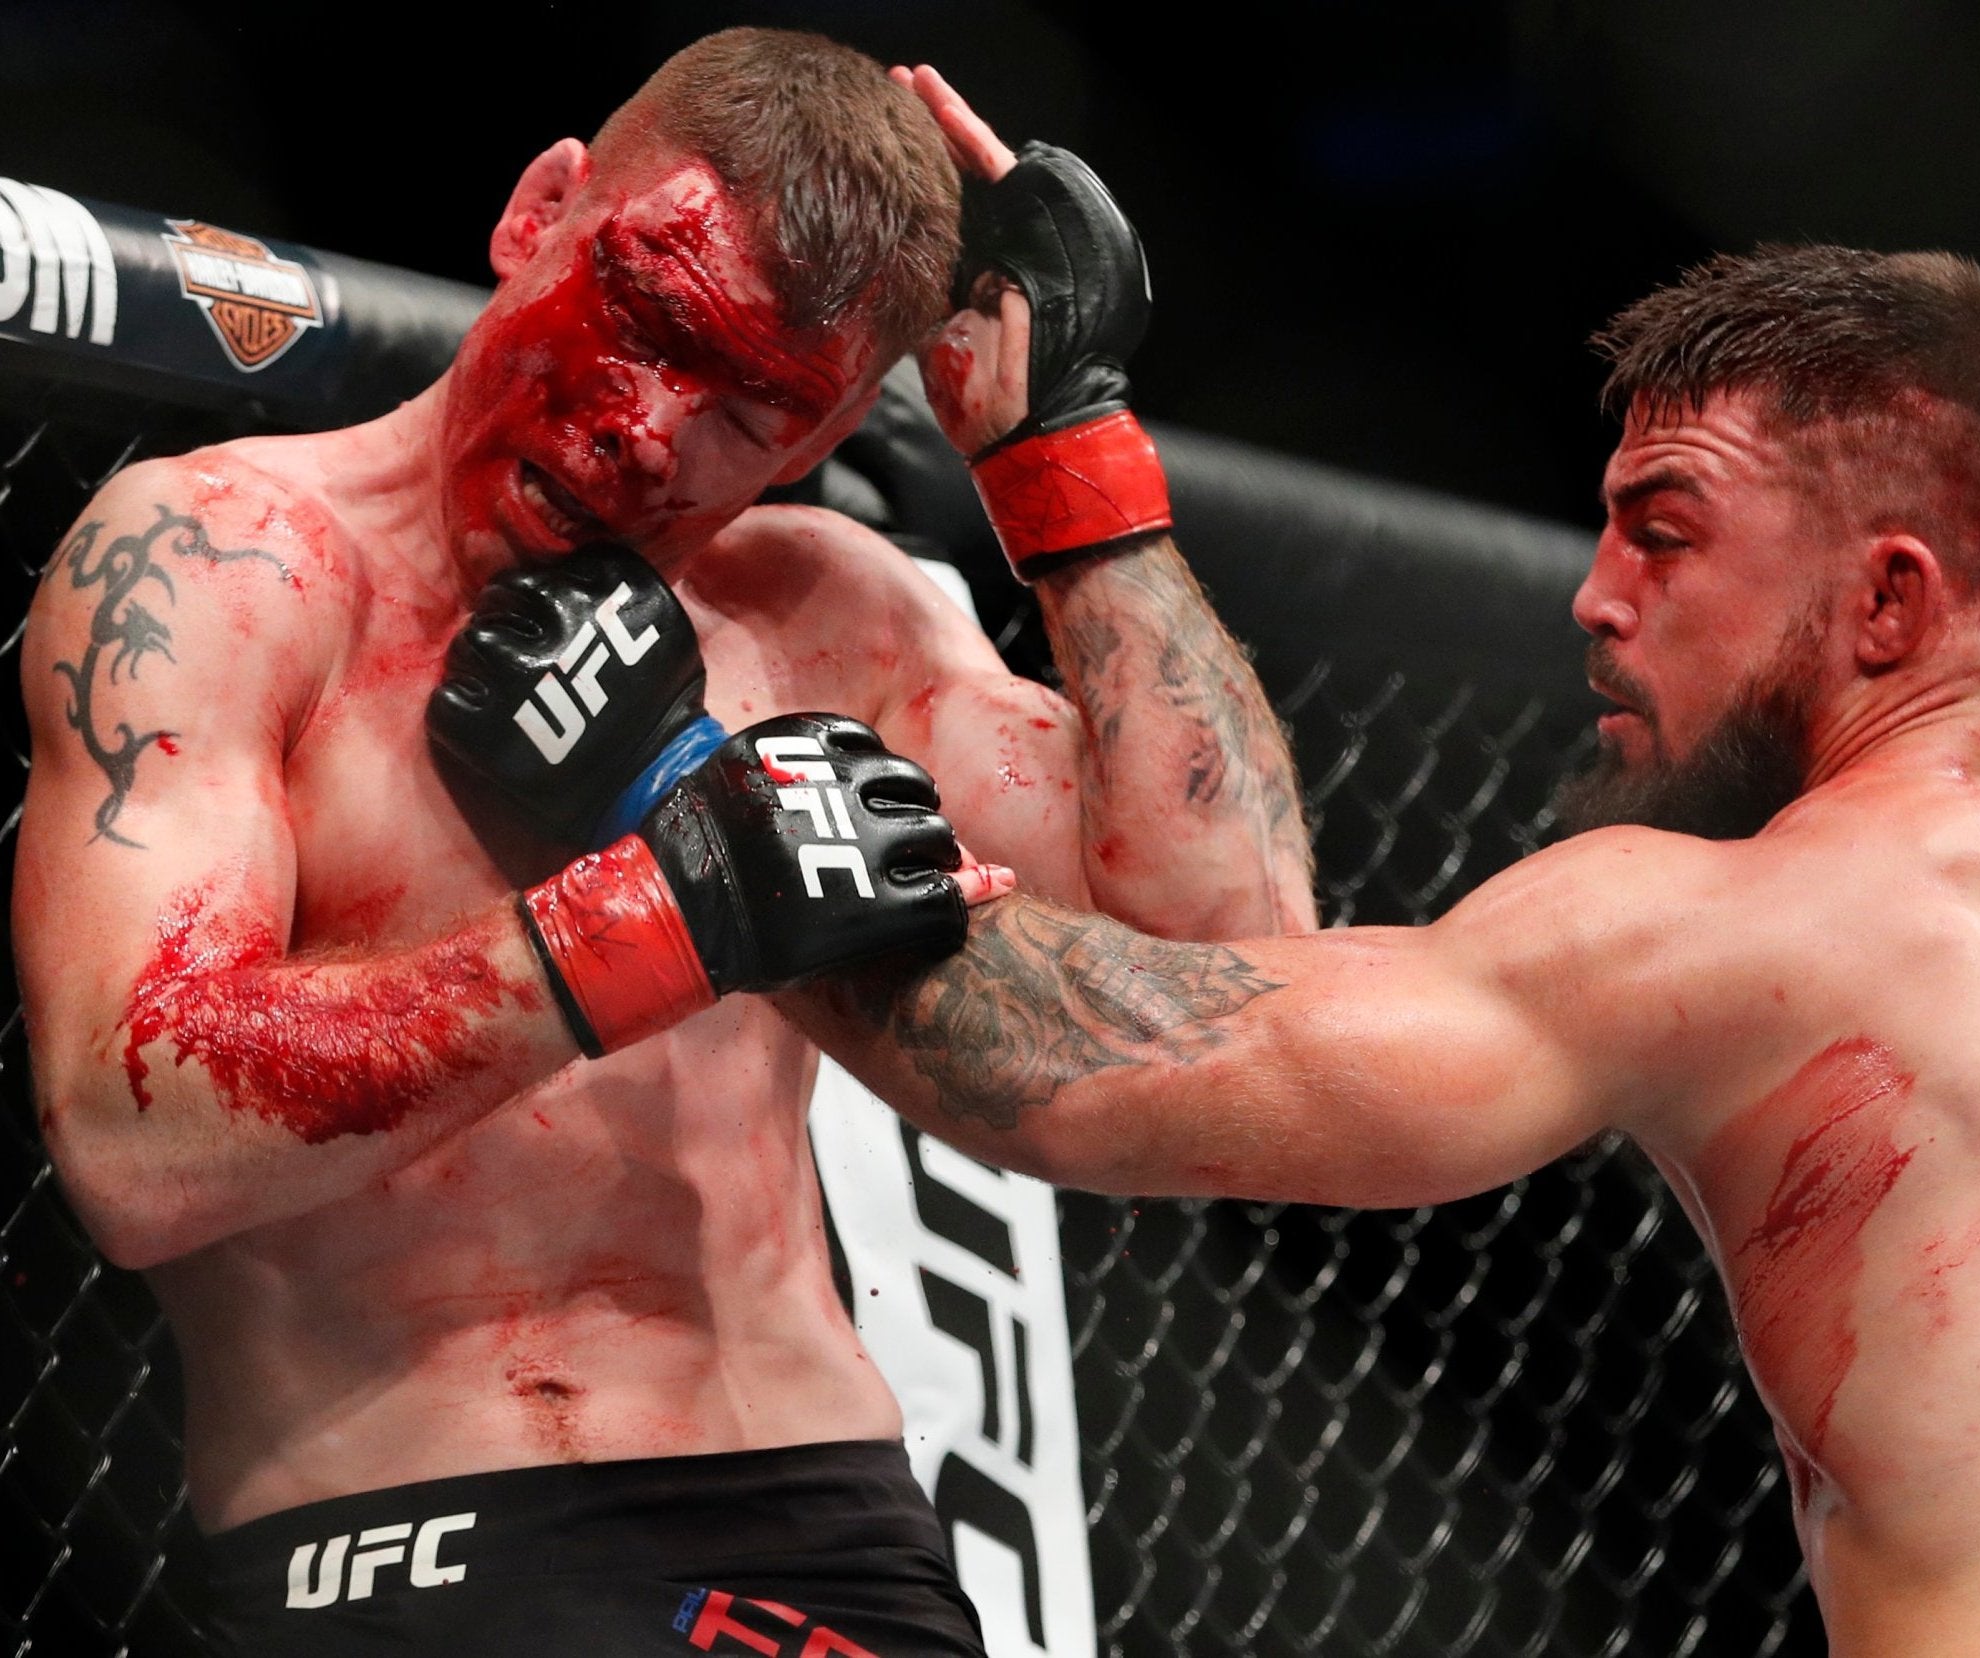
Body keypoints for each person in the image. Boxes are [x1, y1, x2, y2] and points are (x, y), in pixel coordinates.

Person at [13, 28, 1313, 1658]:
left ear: (830, 429)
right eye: (644, 321)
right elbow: (131, 1135)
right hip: (418, 1549)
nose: (646, 430)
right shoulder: (225, 566)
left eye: (751, 405)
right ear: (539, 209)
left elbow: (1243, 952)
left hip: (839, 1540)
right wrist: (661, 913)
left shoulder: (830, 612)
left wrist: (1068, 459)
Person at [786, 245, 1980, 1657]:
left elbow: (1141, 1070)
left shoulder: (1746, 920)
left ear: (1887, 603)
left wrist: (692, 824)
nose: (1594, 598)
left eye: (1662, 530)